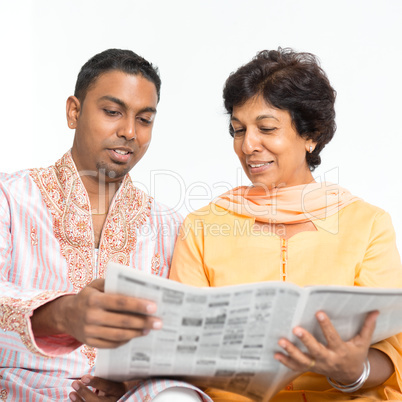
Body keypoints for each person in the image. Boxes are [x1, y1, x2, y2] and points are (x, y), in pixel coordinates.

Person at [169, 48, 402, 401]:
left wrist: (354, 370)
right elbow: (179, 345)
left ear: (311, 135)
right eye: (238, 130)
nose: (248, 146)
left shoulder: (367, 225)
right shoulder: (202, 227)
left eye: (266, 128)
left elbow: (390, 352)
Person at [0, 49, 211, 402]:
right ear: (74, 111)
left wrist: (125, 388)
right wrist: (64, 314)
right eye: (112, 112)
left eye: (144, 120)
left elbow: (178, 340)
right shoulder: (9, 197)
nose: (129, 131)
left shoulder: (167, 226)